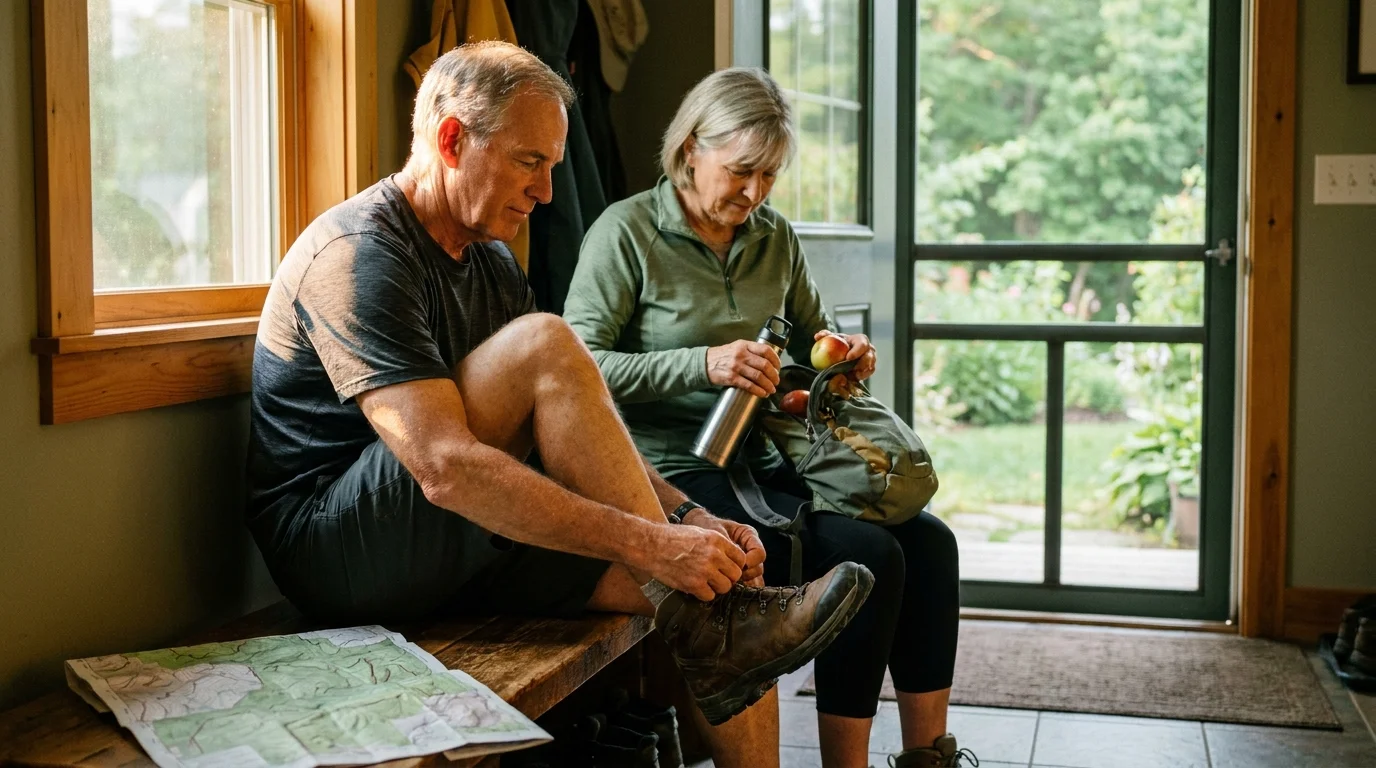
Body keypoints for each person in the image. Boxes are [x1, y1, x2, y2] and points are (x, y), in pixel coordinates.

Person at [244, 42, 874, 768]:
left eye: (551, 166)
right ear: (452, 140)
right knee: (547, 342)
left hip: (456, 531)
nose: (546, 192)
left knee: (721, 600)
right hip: (338, 550)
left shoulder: (489, 260)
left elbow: (574, 429)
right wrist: (651, 543)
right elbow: (444, 467)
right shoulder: (357, 253)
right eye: (529, 161)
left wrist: (689, 521)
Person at [564, 67, 971, 768]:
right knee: (868, 555)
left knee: (931, 543)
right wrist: (704, 364)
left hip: (764, 464)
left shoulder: (773, 238)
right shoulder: (625, 233)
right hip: (667, 474)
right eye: (742, 171)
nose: (753, 194)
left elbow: (817, 340)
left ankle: (926, 757)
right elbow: (578, 372)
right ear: (692, 147)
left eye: (770, 178)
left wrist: (845, 360)